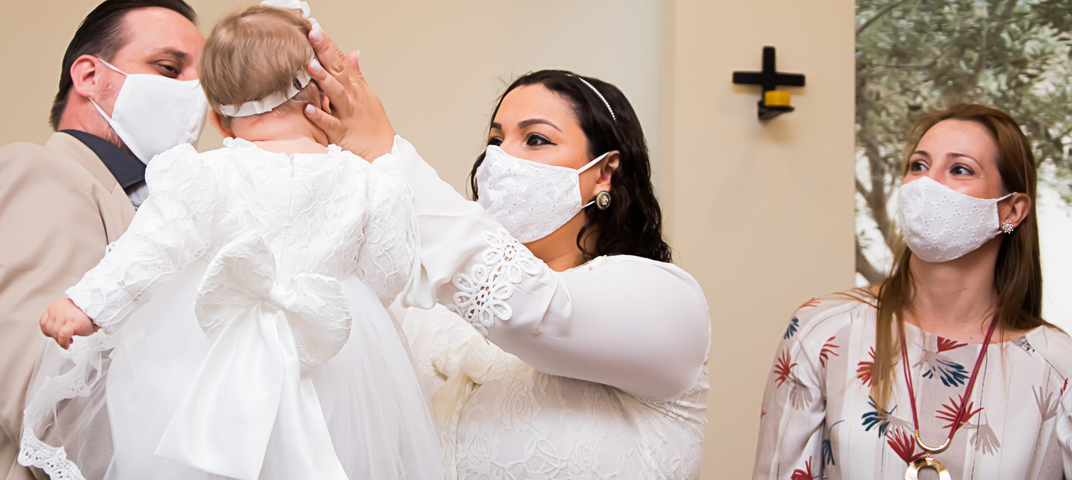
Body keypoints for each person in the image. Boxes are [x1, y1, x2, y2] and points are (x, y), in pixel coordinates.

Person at [21, 0, 441, 480]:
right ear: (323, 101)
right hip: (340, 361)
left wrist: (87, 305)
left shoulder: (203, 174)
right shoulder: (371, 178)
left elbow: (152, 247)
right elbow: (388, 274)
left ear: (218, 118)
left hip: (217, 354)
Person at [301, 28, 712, 479]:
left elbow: (531, 310)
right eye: (496, 141)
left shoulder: (667, 301)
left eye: (536, 139)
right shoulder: (427, 307)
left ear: (605, 173)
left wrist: (383, 149)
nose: (500, 160)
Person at [0, 0, 207, 480]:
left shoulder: (170, 216)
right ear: (89, 77)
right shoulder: (34, 175)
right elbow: (58, 419)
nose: (194, 94)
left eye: (204, 81)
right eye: (167, 68)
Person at [753, 103, 1072, 480]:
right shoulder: (822, 331)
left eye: (960, 169)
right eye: (918, 165)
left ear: (1012, 211)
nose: (926, 183)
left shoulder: (1057, 368)